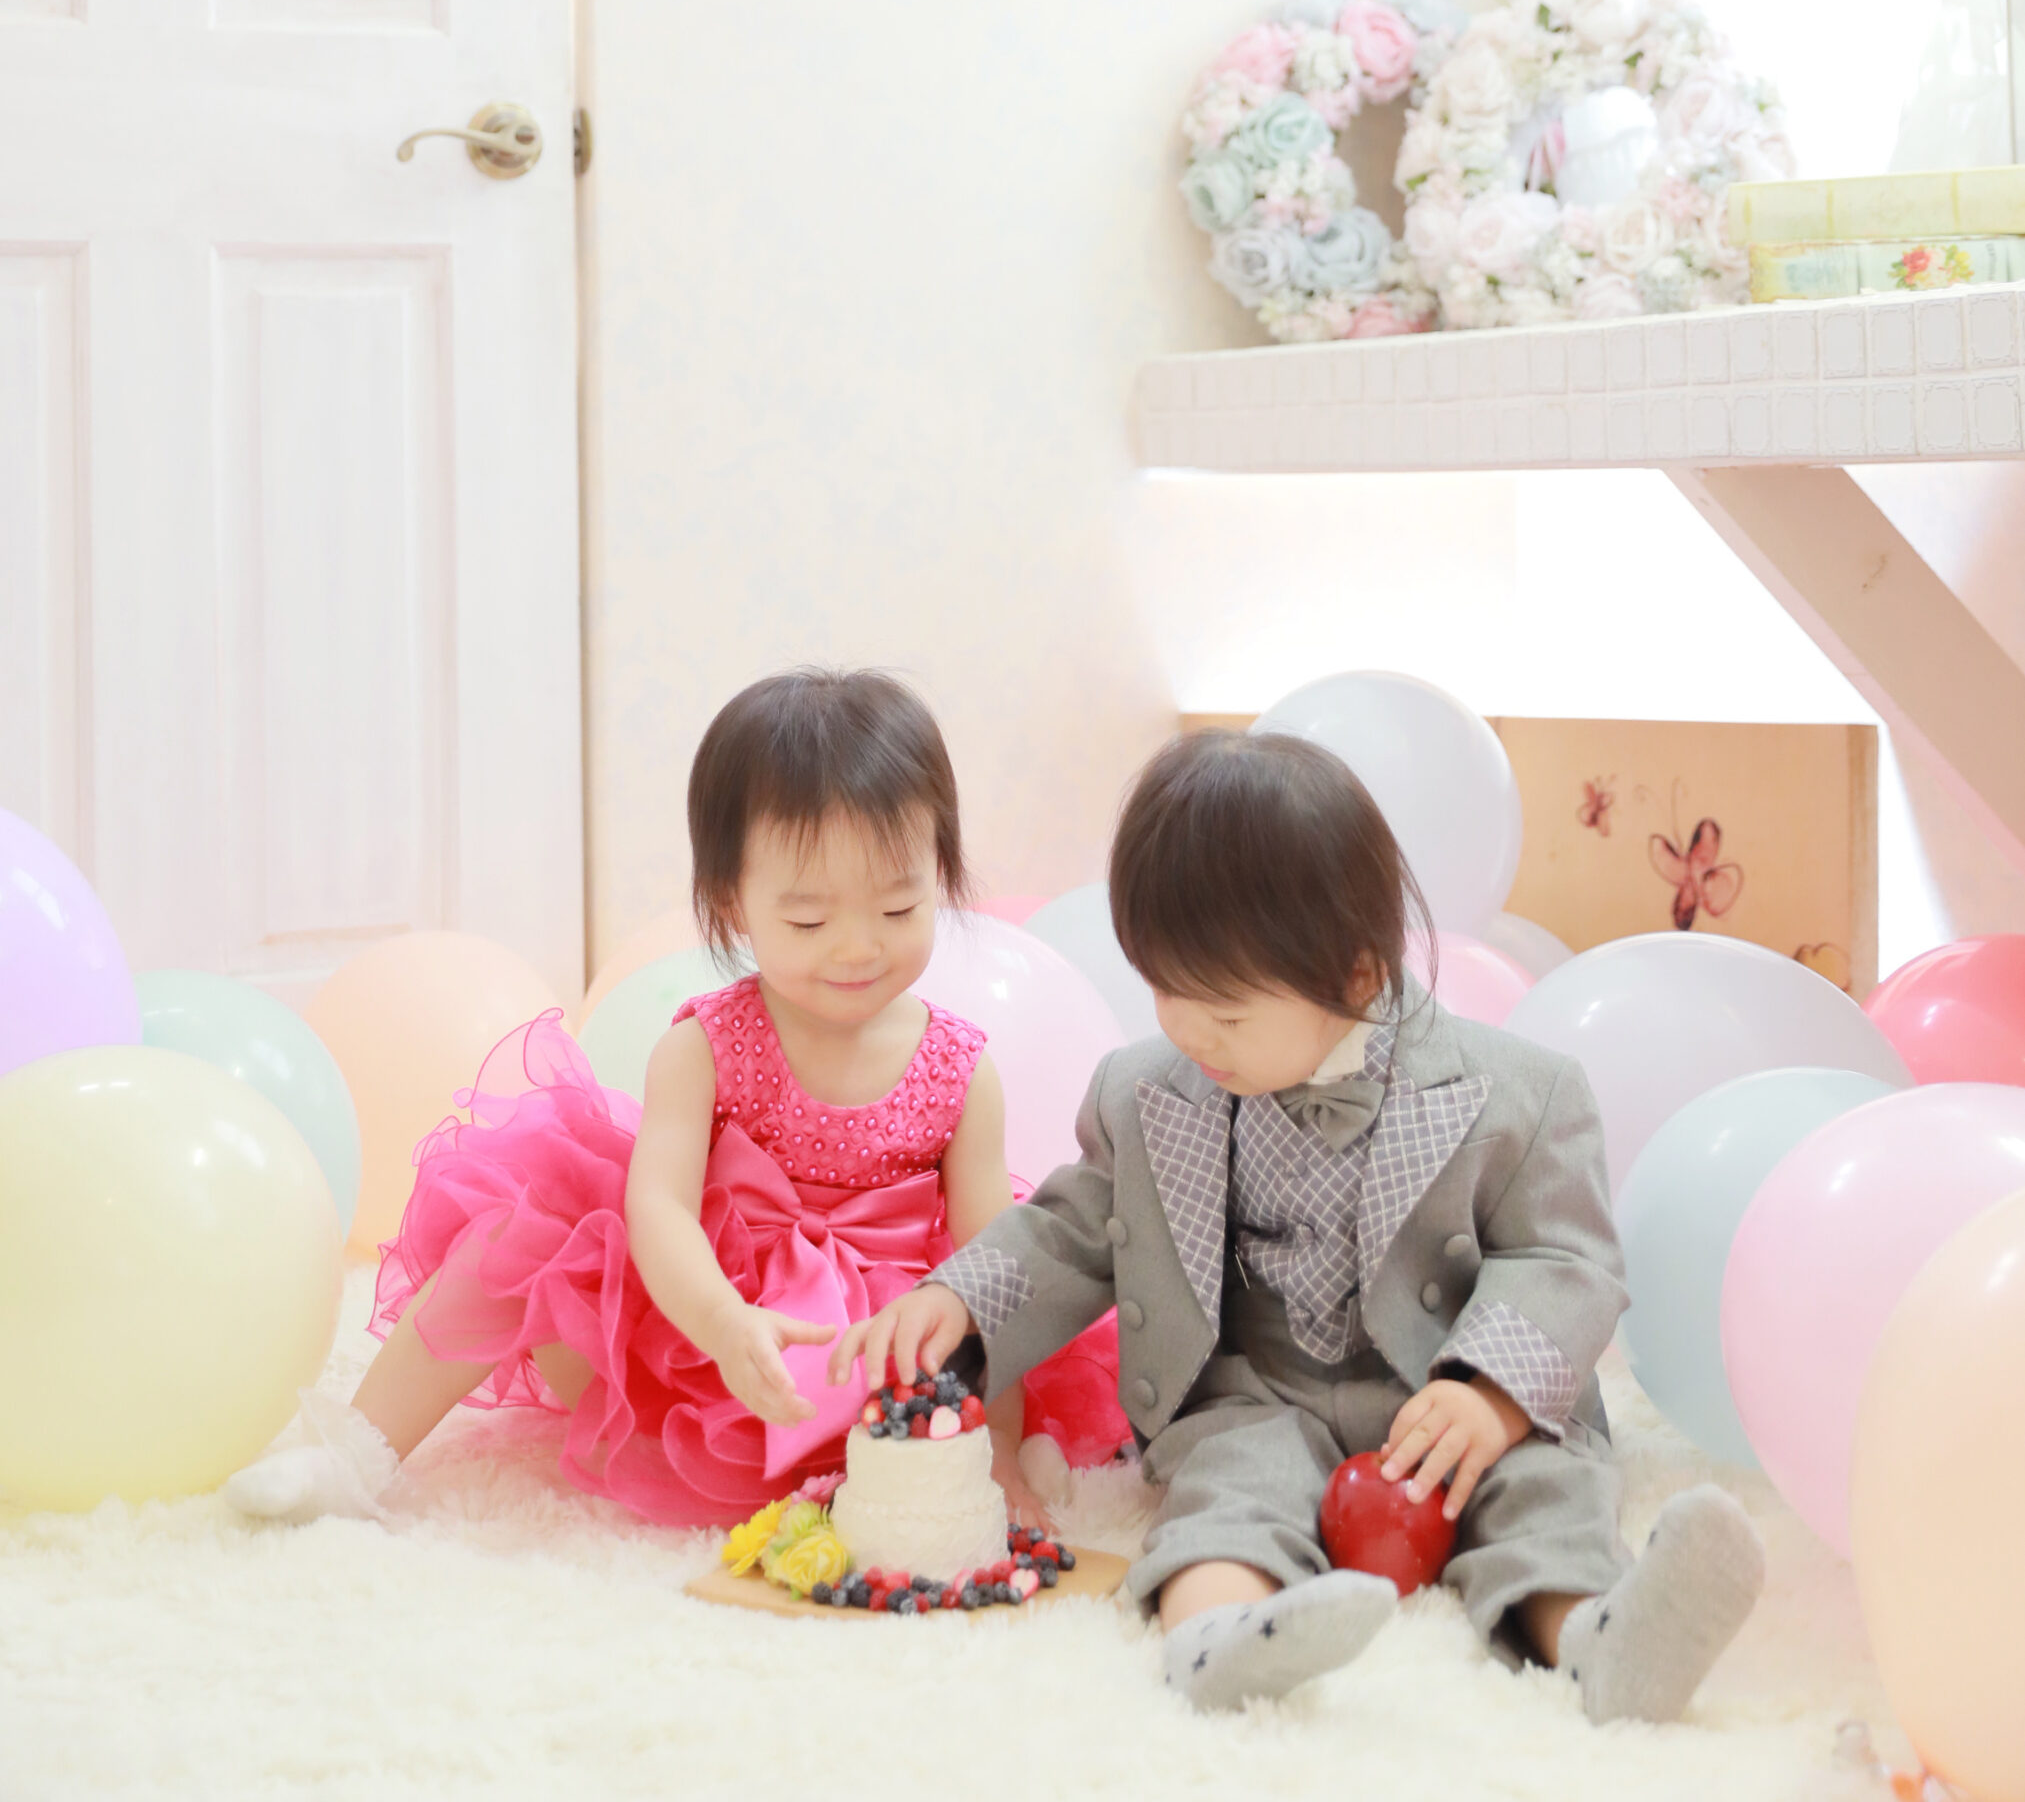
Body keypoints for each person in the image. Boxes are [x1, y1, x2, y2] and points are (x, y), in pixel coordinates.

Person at [833, 727, 1765, 1718]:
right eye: (1165, 990)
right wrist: (963, 1301)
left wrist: (1490, 1394)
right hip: (1258, 1393)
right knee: (1228, 1489)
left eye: (1227, 1012)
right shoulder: (1147, 1093)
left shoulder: (1520, 1094)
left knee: (1538, 1489)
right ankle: (1216, 1633)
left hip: (1445, 1393)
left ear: (1356, 974)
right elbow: (1069, 1228)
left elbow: (1563, 1257)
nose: (1187, 1030)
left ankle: (1592, 1635)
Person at [227, 669, 1123, 1530]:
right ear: (731, 906)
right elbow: (657, 1208)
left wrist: (994, 1450)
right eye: (809, 920)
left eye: (897, 910)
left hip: (866, 1349)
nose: (857, 948)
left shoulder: (960, 1070)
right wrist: (721, 1322)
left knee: (943, 1380)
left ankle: (985, 1448)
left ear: (942, 879)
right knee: (515, 1233)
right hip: (702, 1315)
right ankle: (357, 1452)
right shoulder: (707, 1045)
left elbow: (989, 1272)